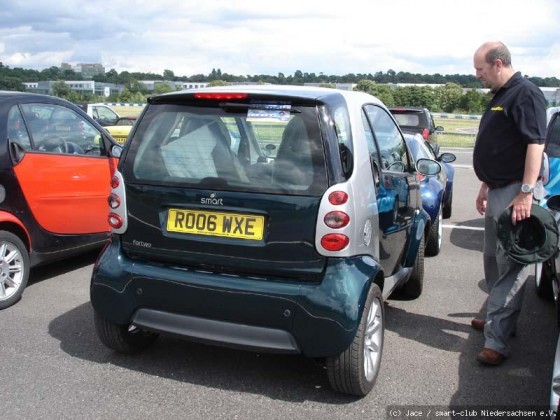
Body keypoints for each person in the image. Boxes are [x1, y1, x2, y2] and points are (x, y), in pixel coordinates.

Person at [472, 41, 547, 365]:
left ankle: (497, 342)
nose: (477, 76)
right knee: (492, 258)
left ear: (498, 63)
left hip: (516, 192)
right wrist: (485, 185)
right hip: (497, 189)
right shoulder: (500, 95)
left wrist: (526, 193)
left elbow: (535, 144)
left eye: (480, 69)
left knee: (511, 266)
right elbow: (500, 145)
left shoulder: (525, 93)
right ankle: (495, 316)